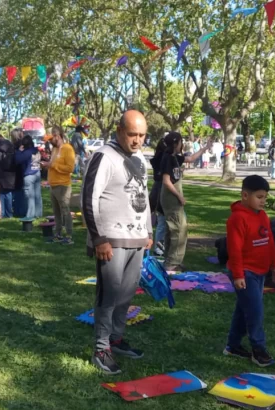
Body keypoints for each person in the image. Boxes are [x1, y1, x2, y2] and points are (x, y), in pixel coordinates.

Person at [81, 110, 153, 375]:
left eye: (142, 135)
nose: (137, 140)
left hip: (136, 238)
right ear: (119, 131)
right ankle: (101, 348)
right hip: (111, 239)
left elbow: (143, 196)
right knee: (108, 294)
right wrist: (99, 238)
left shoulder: (141, 159)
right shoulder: (103, 156)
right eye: (132, 134)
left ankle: (116, 339)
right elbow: (88, 198)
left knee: (127, 293)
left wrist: (148, 230)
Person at [224, 175, 275, 367]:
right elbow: (235, 249)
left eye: (265, 197)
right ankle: (258, 350)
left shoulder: (262, 216)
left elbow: (269, 241)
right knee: (255, 312)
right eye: (259, 197)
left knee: (244, 309)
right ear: (245, 195)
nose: (263, 201)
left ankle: (232, 346)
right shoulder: (237, 218)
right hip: (245, 272)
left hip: (260, 271)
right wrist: (238, 275)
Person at [159, 132, 209, 271]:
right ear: (176, 144)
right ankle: (172, 263)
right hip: (170, 198)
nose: (182, 144)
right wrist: (179, 197)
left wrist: (205, 148)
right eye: (181, 142)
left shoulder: (176, 157)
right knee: (179, 229)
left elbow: (191, 158)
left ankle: (171, 260)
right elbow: (166, 181)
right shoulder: (168, 158)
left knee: (174, 228)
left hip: (174, 196)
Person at [42, 126, 76, 244]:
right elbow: (52, 164)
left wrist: (53, 166)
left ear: (58, 136)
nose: (50, 141)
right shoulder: (55, 149)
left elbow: (70, 168)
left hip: (63, 186)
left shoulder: (68, 149)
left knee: (65, 211)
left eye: (51, 138)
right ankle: (58, 234)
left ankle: (69, 235)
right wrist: (47, 164)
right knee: (56, 212)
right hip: (53, 185)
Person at [15, 134, 43, 219]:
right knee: (37, 195)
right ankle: (38, 213)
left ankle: (30, 215)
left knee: (30, 196)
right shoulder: (36, 151)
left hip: (29, 175)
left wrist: (19, 151)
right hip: (37, 173)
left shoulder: (27, 152)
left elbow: (17, 160)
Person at [149, 139, 168, 256]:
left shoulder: (159, 158)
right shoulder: (162, 159)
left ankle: (162, 246)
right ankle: (159, 248)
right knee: (162, 221)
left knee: (162, 222)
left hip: (158, 189)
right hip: (161, 190)